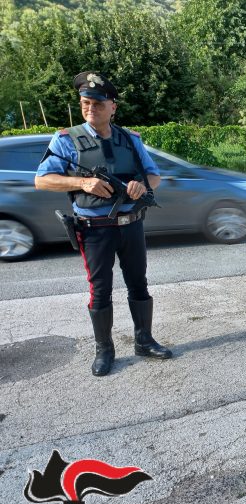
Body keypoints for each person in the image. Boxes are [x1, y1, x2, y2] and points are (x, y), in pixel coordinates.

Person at [35, 71, 172, 377]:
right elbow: (42, 180)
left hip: (132, 224)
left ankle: (144, 341)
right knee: (100, 291)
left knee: (139, 283)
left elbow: (154, 175)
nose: (90, 109)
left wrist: (141, 185)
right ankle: (104, 350)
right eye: (85, 103)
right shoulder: (66, 140)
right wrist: (83, 183)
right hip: (94, 229)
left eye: (98, 104)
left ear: (113, 107)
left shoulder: (130, 139)